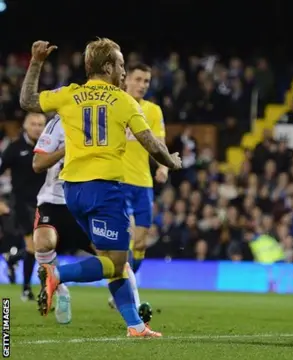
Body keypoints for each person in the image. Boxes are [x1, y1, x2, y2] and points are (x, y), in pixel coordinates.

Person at [19, 39, 181, 337]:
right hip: (104, 190)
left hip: (72, 190)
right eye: (120, 64)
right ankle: (57, 274)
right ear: (107, 67)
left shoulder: (70, 94)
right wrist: (171, 162)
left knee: (113, 259)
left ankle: (134, 325)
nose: (123, 71)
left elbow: (28, 101)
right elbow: (151, 144)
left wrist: (37, 63)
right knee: (118, 261)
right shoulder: (123, 101)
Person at [32, 115, 143, 325]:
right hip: (54, 201)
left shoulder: (106, 120)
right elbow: (37, 164)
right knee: (43, 242)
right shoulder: (59, 122)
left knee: (115, 258)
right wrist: (69, 148)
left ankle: (137, 311)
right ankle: (61, 291)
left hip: (88, 201)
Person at [107, 63, 167, 309]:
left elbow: (159, 143)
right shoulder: (115, 104)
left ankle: (125, 281)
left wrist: (163, 167)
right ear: (126, 80)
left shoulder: (153, 111)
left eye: (146, 81)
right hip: (118, 181)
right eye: (139, 79)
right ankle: (123, 288)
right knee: (125, 239)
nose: (142, 85)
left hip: (143, 183)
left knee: (140, 243)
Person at [0, 112, 46, 301]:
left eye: (41, 124)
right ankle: (27, 289)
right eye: (33, 124)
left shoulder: (49, 148)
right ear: (26, 126)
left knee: (42, 247)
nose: (37, 128)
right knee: (34, 245)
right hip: (22, 204)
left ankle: (14, 258)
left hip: (45, 203)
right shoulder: (15, 148)